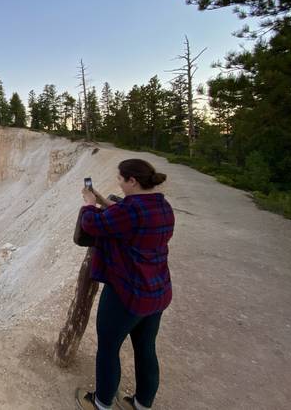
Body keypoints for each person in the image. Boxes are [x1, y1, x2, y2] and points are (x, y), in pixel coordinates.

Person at [75, 159, 175, 410]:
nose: (119, 184)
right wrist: (102, 201)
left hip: (127, 293)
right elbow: (129, 219)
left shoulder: (130, 211)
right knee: (145, 348)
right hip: (157, 291)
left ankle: (101, 403)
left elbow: (93, 224)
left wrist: (89, 205)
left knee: (108, 347)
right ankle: (141, 404)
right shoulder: (162, 207)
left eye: (121, 179)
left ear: (133, 180)